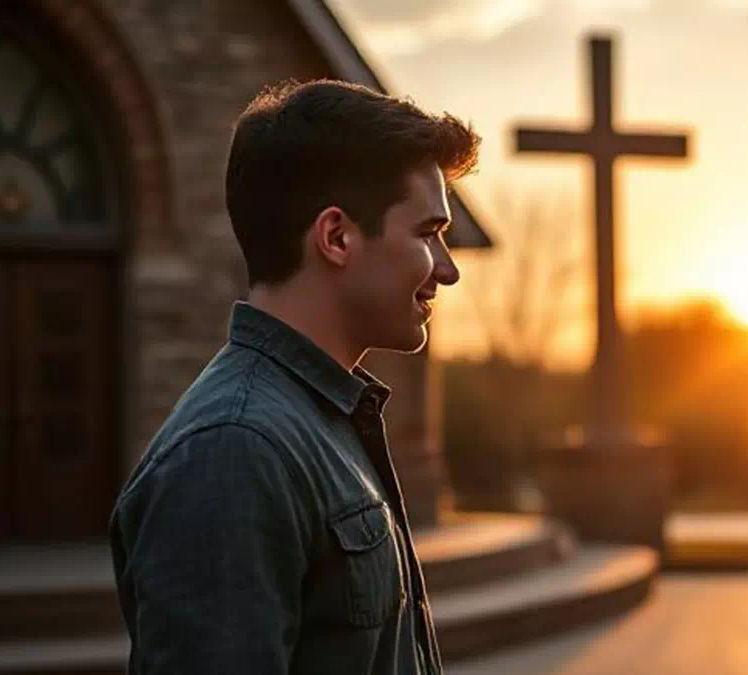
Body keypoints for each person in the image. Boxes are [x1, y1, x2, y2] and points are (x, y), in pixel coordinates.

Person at [109, 80, 480, 675]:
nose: (449, 268)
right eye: (428, 233)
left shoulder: (323, 417)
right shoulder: (232, 452)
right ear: (336, 237)